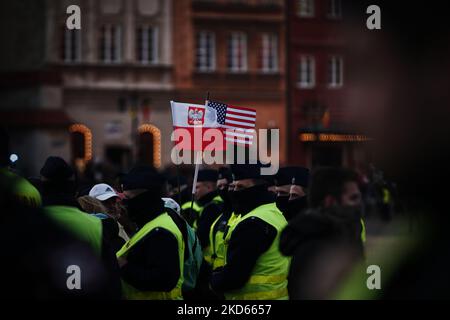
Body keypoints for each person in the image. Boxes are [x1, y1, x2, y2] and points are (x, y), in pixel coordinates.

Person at [279, 167, 365, 299]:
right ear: (330, 201)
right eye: (353, 198)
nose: (359, 204)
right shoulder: (315, 246)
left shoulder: (345, 228)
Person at [210, 163, 290, 300]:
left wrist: (213, 279)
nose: (234, 191)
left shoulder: (253, 223)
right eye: (233, 186)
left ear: (258, 188)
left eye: (241, 187)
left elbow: (234, 277)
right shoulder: (273, 213)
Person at [116, 166, 185, 300]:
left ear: (145, 197)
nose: (124, 204)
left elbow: (163, 280)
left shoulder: (161, 232)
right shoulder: (151, 224)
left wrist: (123, 266)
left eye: (128, 198)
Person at [194, 169, 223, 250]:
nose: (194, 191)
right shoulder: (218, 202)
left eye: (197, 187)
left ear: (209, 187)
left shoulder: (211, 208)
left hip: (209, 259)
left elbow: (201, 239)